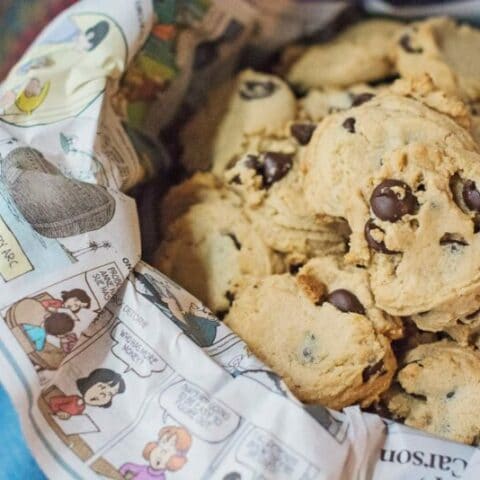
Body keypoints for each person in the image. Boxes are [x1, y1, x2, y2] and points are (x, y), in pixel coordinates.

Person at [48, 368, 125, 420]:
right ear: (90, 383)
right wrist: (57, 412)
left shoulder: (82, 407)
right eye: (101, 387)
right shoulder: (74, 398)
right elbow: (53, 401)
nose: (103, 395)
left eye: (110, 394)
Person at [120, 426, 192, 479]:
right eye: (162, 444)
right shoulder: (143, 469)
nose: (161, 452)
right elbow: (127, 466)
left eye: (168, 451)